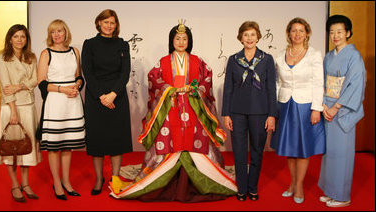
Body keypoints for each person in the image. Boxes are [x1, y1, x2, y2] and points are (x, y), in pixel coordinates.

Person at [109, 20, 237, 202]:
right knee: (171, 144)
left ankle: (198, 182)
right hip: (171, 110)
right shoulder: (163, 62)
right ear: (172, 40)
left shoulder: (197, 62)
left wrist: (195, 89)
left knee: (194, 142)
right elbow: (154, 81)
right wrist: (169, 89)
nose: (181, 42)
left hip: (193, 109)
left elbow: (206, 80)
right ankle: (166, 184)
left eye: (185, 39)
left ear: (189, 41)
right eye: (178, 38)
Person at [270, 17, 325, 204]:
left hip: (305, 106)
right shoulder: (279, 56)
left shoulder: (314, 55)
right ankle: (292, 184)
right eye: (294, 31)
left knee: (303, 148)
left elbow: (319, 83)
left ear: (307, 33)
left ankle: (299, 185)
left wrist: (316, 109)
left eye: (301, 31)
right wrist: (274, 107)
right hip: (284, 104)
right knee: (289, 148)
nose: (297, 34)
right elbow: (277, 83)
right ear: (288, 34)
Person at [221, 21, 277, 201]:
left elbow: (271, 88)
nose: (249, 38)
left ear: (258, 37)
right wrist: (226, 113)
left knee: (256, 151)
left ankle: (252, 187)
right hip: (237, 112)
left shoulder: (266, 59)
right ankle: (241, 188)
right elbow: (228, 87)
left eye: (253, 34)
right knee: (238, 150)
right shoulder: (233, 59)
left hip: (260, 112)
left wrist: (272, 115)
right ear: (240, 38)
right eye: (246, 35)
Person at [81, 9, 133, 195]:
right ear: (99, 23)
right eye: (106, 22)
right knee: (97, 140)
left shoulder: (122, 44)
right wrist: (102, 96)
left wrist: (112, 94)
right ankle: (98, 178)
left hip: (117, 96)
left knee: (116, 139)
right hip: (96, 98)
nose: (109, 26)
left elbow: (124, 73)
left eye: (112, 23)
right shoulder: (89, 44)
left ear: (116, 25)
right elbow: (87, 71)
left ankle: (116, 177)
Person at [318, 15, 366, 208]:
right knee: (329, 153)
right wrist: (323, 106)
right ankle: (331, 191)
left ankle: (343, 196)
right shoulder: (329, 56)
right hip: (327, 108)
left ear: (347, 33)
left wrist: (336, 107)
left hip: (342, 109)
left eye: (339, 31)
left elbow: (356, 84)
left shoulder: (354, 56)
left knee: (342, 154)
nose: (335, 36)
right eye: (332, 32)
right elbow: (321, 81)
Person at [37, 19, 85, 200]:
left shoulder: (75, 51)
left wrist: (77, 85)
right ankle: (57, 183)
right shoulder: (46, 53)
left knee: (68, 146)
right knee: (54, 146)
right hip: (55, 102)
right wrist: (63, 89)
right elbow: (41, 82)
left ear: (66, 32)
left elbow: (78, 76)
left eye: (60, 31)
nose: (57, 35)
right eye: (53, 32)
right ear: (50, 35)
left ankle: (66, 181)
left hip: (72, 102)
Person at [0, 24, 41, 202]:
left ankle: (26, 183)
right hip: (11, 108)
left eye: (23, 36)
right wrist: (13, 111)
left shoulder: (31, 57)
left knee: (26, 147)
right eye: (16, 36)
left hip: (29, 106)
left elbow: (35, 79)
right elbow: (5, 87)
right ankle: (15, 185)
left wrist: (20, 85)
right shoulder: (3, 57)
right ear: (10, 39)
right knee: (12, 147)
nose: (20, 39)